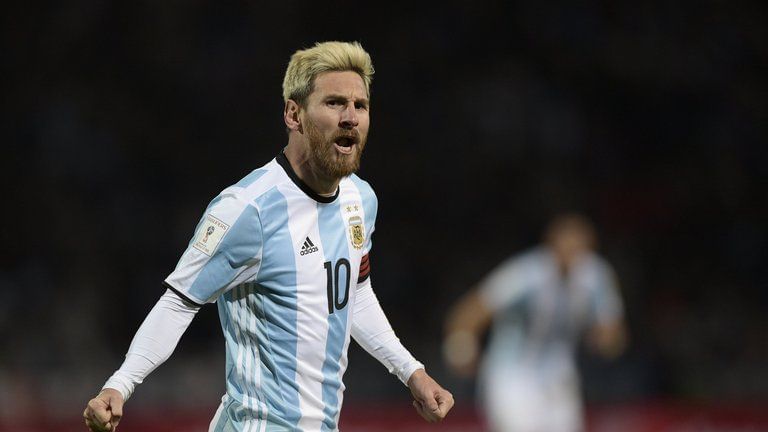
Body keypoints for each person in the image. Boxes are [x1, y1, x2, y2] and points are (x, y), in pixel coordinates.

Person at [83, 41, 453, 432]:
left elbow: (353, 295)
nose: (350, 118)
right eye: (334, 103)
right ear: (294, 114)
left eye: (360, 106)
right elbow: (179, 302)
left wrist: (412, 372)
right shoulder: (246, 209)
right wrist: (120, 384)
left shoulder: (360, 201)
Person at [443, 213, 626, 432]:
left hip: (559, 378)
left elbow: (613, 329)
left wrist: (606, 338)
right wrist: (462, 343)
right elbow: (473, 309)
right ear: (551, 244)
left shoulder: (596, 276)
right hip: (512, 375)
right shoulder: (526, 274)